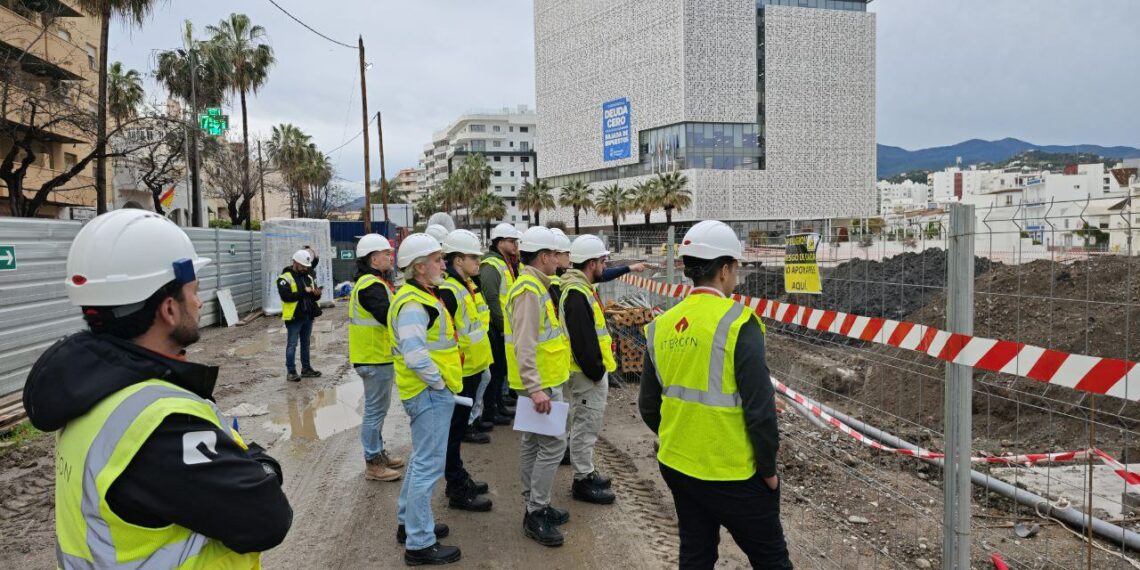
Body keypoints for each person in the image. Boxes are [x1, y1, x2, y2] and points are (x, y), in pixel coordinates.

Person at [23, 209, 292, 568]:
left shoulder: (90, 394)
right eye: (193, 292)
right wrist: (262, 464)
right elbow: (268, 520)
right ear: (168, 309)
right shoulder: (160, 423)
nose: (198, 303)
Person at [639, 220, 791, 569]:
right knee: (772, 560)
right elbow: (760, 411)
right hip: (732, 472)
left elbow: (649, 405)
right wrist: (767, 470)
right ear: (724, 269)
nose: (735, 274)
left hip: (678, 465)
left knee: (696, 553)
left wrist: (678, 435)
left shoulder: (661, 325)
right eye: (735, 267)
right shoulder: (739, 321)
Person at [388, 233, 463, 566]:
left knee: (421, 461)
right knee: (428, 467)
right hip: (429, 394)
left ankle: (409, 524)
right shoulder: (414, 304)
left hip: (427, 393)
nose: (443, 263)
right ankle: (419, 543)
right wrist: (440, 385)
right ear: (420, 267)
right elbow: (416, 356)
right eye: (437, 259)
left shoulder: (422, 296)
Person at [506, 226, 573, 547]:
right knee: (553, 445)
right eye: (556, 254)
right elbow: (524, 343)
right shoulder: (529, 291)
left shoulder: (535, 285)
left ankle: (534, 502)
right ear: (544, 257)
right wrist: (535, 388)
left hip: (543, 381)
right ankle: (536, 510)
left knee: (534, 442)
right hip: (540, 385)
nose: (560, 259)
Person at [438, 229, 495, 512]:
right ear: (458, 260)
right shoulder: (449, 290)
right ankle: (456, 486)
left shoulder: (464, 286)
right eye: (474, 257)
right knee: (454, 430)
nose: (478, 262)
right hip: (460, 372)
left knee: (458, 430)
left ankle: (457, 476)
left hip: (471, 369)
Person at [559, 235, 618, 505]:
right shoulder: (576, 293)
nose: (605, 266)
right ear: (591, 263)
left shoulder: (580, 288)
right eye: (603, 261)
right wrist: (596, 372)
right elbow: (583, 340)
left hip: (587, 373)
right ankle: (582, 479)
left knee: (584, 423)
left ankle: (586, 471)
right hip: (586, 375)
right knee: (585, 425)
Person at [349, 233, 406, 482]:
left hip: (375, 356)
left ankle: (378, 454)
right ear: (373, 259)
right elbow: (387, 316)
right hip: (374, 358)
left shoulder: (373, 283)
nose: (389, 257)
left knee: (378, 410)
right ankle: (373, 463)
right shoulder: (370, 286)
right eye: (386, 254)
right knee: (374, 411)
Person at [479, 222, 522, 426]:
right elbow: (492, 297)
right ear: (499, 242)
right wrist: (503, 325)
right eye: (511, 241)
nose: (515, 245)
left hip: (504, 325)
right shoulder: (491, 265)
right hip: (496, 327)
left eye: (515, 241)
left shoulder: (504, 262)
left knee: (500, 370)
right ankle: (490, 410)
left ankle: (498, 406)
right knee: (495, 371)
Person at [278, 248, 323, 382]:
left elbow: (312, 297)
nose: (305, 269)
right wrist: (304, 291)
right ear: (295, 263)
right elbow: (286, 297)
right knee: (292, 344)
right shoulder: (284, 278)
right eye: (303, 266)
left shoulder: (308, 276)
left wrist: (316, 294)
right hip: (294, 317)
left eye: (306, 266)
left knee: (306, 343)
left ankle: (306, 369)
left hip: (307, 315)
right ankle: (291, 371)